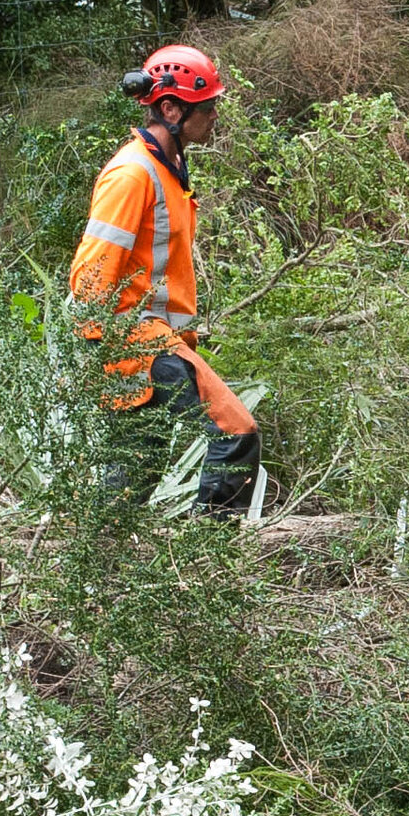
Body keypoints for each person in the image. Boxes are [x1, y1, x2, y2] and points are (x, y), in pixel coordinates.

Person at [68, 43, 265, 515]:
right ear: (171, 108)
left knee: (135, 469)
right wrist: (116, 347)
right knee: (236, 433)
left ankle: (103, 561)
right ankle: (208, 557)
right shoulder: (132, 174)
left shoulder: (169, 169)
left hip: (155, 340)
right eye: (208, 107)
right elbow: (91, 277)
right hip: (134, 340)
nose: (215, 116)